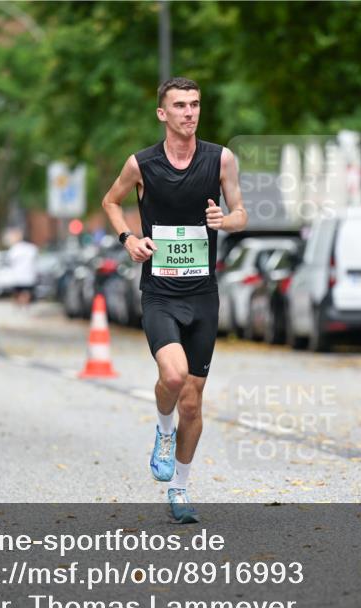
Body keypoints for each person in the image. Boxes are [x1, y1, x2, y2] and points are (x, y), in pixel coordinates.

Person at [101, 77, 247, 523]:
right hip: (160, 293)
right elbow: (110, 202)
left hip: (202, 295)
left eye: (196, 104)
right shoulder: (141, 163)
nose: (190, 112)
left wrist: (225, 220)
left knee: (193, 402)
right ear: (162, 113)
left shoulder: (220, 159)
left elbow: (241, 213)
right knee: (174, 375)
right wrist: (129, 238)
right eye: (180, 105)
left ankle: (180, 489)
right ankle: (164, 433)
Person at [6, 230, 38, 308]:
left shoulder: (15, 248)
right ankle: (25, 305)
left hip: (17, 275)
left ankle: (19, 305)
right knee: (27, 292)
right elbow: (36, 260)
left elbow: (9, 260)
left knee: (18, 292)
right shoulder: (32, 248)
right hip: (29, 275)